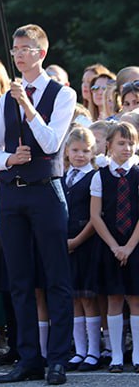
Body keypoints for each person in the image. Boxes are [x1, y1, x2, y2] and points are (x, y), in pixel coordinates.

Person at [0, 24, 75, 386]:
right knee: (19, 280)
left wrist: (28, 105)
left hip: (45, 191)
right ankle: (28, 358)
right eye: (15, 49)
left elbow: (51, 143)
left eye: (25, 49)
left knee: (56, 279)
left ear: (41, 54)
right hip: (12, 193)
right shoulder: (7, 97)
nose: (18, 54)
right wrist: (9, 160)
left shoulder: (61, 94)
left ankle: (57, 359)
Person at [89, 122, 139, 373]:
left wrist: (128, 247)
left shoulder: (138, 174)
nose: (127, 148)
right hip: (110, 245)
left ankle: (138, 354)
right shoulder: (101, 175)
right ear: (108, 145)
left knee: (136, 298)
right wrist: (114, 246)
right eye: (121, 143)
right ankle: (116, 355)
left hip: (135, 245)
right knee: (114, 299)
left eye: (131, 143)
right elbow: (95, 216)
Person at [60, 126, 100, 372]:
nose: (80, 155)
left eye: (85, 151)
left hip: (87, 242)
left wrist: (77, 241)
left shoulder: (94, 176)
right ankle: (80, 350)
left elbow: (96, 216)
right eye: (75, 150)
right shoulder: (63, 177)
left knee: (88, 298)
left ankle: (94, 351)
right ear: (66, 151)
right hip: (65, 244)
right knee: (73, 299)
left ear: (93, 151)